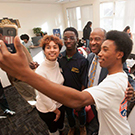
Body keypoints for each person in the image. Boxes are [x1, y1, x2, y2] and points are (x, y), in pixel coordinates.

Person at [0, 30, 133, 135]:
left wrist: (24, 74)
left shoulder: (114, 82)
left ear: (119, 55)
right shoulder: (117, 76)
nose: (99, 53)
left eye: (105, 49)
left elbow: (79, 100)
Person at [87, 28, 135, 134]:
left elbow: (128, 78)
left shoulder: (113, 62)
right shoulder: (90, 57)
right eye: (90, 39)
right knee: (98, 120)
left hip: (106, 101)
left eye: (97, 39)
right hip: (93, 99)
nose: (93, 42)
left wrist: (132, 90)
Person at [58, 27, 88, 135]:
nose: (68, 41)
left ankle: (82, 126)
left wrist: (81, 99)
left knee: (81, 112)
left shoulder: (82, 61)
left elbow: (84, 81)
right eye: (65, 38)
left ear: (77, 39)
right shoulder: (60, 57)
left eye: (71, 38)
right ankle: (72, 127)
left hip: (77, 94)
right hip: (64, 93)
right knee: (69, 113)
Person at [0, 28, 37, 112]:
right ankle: (33, 105)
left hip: (24, 76)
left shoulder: (14, 43)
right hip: (14, 78)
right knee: (25, 94)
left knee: (34, 91)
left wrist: (30, 68)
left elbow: (27, 56)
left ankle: (42, 106)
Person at [35, 35, 65, 135]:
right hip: (47, 109)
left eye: (55, 47)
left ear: (59, 50)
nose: (52, 50)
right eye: (48, 47)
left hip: (59, 103)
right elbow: (44, 96)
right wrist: (55, 111)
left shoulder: (56, 64)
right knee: (53, 130)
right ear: (44, 50)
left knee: (61, 126)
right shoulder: (40, 71)